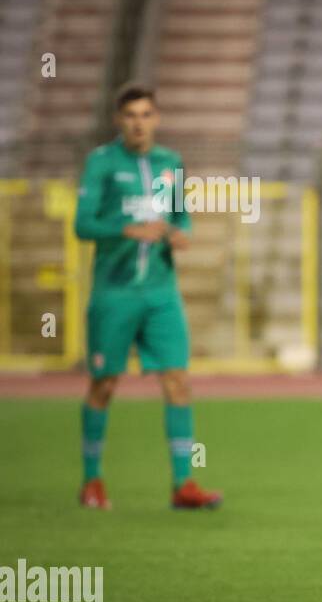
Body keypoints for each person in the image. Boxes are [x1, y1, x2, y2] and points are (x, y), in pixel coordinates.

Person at [74, 84, 222, 511]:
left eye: (146, 115)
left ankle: (183, 483)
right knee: (104, 384)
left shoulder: (170, 164)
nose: (139, 123)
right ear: (119, 121)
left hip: (160, 293)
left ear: (156, 118)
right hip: (115, 293)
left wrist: (181, 235)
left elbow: (181, 216)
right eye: (130, 116)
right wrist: (126, 229)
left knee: (178, 380)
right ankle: (92, 480)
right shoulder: (102, 163)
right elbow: (82, 226)